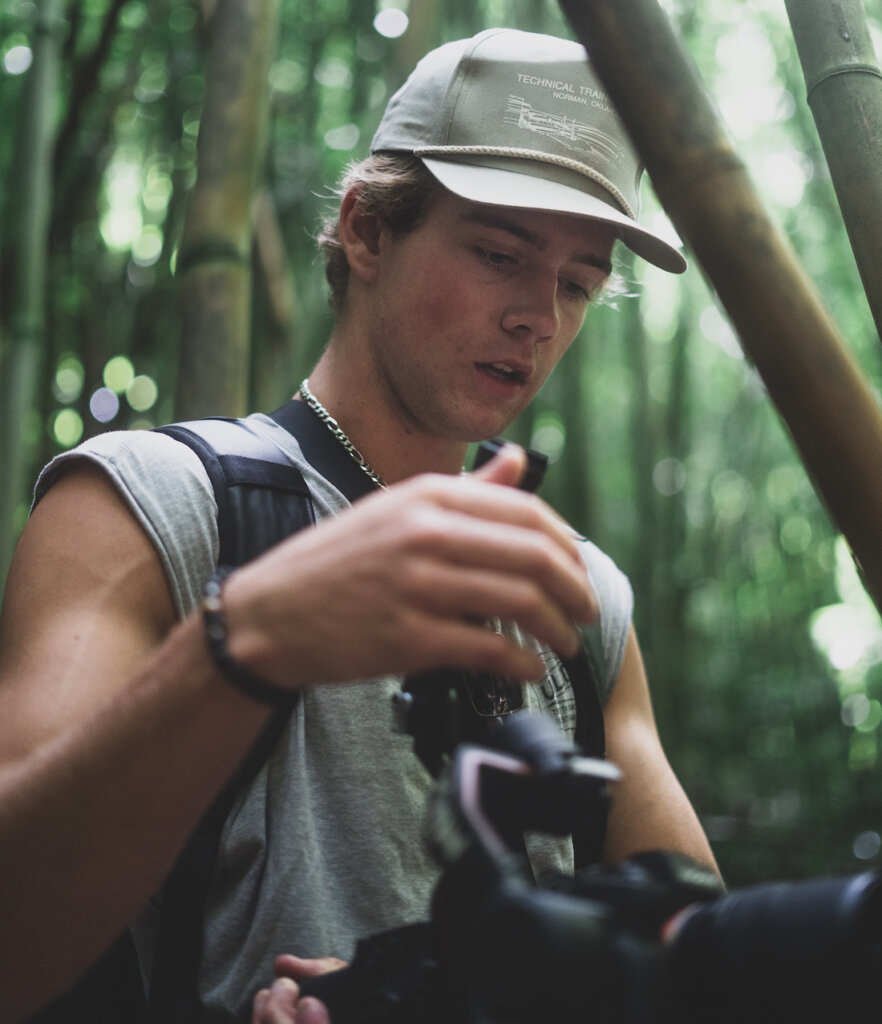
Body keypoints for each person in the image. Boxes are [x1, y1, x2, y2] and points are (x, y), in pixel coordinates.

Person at [0, 27, 717, 1024]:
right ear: (368, 232)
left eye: (576, 283)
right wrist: (247, 644)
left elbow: (703, 961)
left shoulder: (578, 598)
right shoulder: (149, 504)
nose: (538, 317)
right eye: (501, 254)